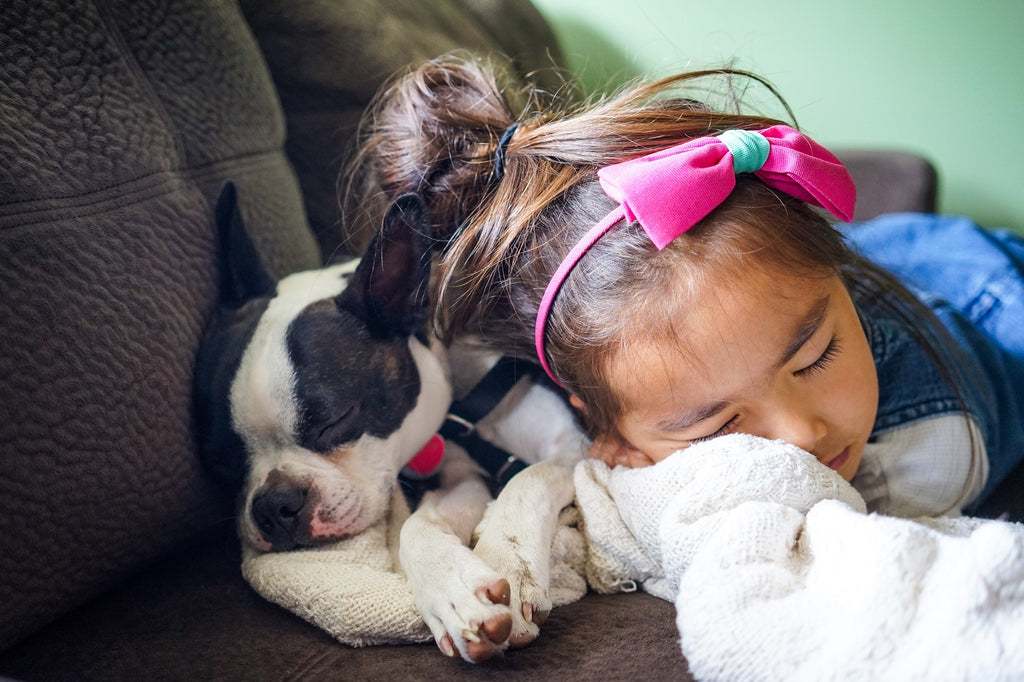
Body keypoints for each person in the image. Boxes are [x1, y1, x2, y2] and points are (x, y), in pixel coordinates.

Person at [344, 52, 1024, 518]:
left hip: (984, 286)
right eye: (718, 425)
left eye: (817, 355)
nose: (802, 433)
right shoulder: (605, 355)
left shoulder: (936, 450)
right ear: (606, 429)